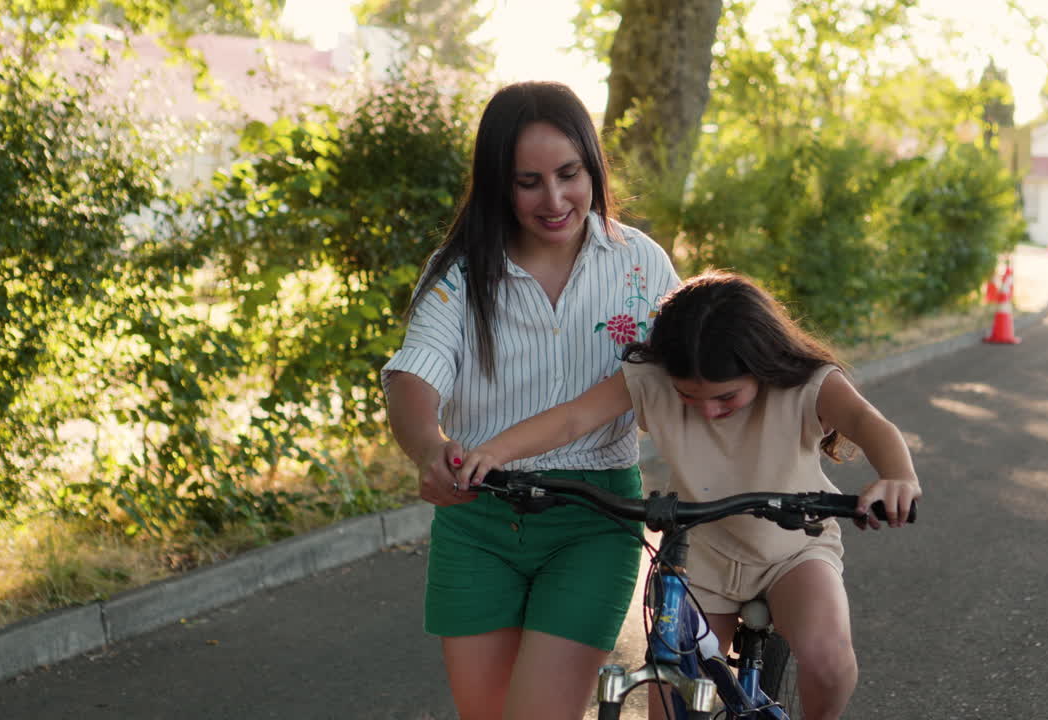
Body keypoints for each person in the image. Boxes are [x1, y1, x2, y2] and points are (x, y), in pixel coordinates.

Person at [455, 270, 923, 720]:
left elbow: (866, 422)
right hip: (698, 557)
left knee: (827, 658)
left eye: (726, 398)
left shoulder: (804, 382)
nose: (706, 410)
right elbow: (573, 418)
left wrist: (897, 475)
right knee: (671, 698)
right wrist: (496, 452)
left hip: (793, 548)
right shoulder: (651, 376)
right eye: (687, 396)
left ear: (761, 365)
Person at [381, 80, 680, 720]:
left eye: (569, 174)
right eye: (528, 182)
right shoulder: (458, 272)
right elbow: (413, 375)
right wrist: (429, 448)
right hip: (477, 520)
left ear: (593, 167)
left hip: (593, 517)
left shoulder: (643, 267)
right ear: (498, 183)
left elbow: (691, 373)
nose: (555, 199)